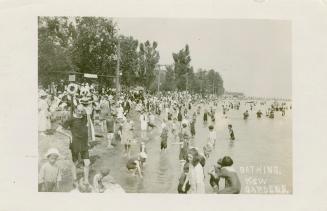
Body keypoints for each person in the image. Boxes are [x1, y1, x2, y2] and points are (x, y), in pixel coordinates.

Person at [57, 104, 90, 185]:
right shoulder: (71, 119)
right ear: (75, 110)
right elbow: (58, 129)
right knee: (74, 163)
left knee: (87, 163)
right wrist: (69, 136)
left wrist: (87, 140)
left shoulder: (84, 117)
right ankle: (75, 180)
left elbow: (86, 127)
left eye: (82, 111)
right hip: (75, 143)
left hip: (84, 143)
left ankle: (86, 180)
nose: (80, 112)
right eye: (79, 111)